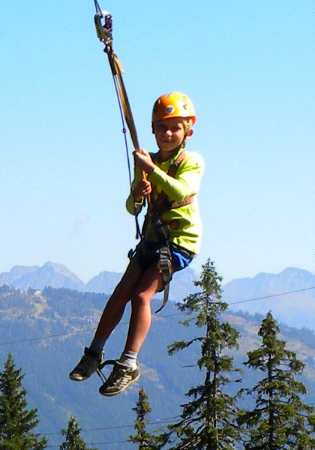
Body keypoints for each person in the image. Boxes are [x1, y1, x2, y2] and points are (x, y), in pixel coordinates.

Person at [69, 92, 204, 396]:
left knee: (142, 296)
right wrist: (139, 192)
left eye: (175, 128)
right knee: (122, 291)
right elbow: (133, 208)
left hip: (179, 242)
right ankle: (95, 352)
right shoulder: (149, 162)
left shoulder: (191, 161)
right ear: (154, 130)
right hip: (152, 238)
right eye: (162, 127)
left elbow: (182, 190)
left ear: (187, 132)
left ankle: (129, 362)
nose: (168, 134)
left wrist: (151, 170)